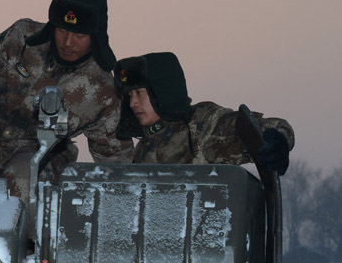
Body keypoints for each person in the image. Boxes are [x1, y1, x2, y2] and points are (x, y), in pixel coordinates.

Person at [0, 0, 134, 203]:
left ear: (96, 36)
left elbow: (116, 160)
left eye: (80, 36)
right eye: (62, 30)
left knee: (21, 191)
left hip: (43, 150)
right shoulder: (21, 37)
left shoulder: (104, 90)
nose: (67, 42)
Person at [113, 52, 293, 174]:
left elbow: (263, 127)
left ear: (160, 92)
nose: (133, 103)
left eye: (139, 93)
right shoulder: (142, 150)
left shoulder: (202, 124)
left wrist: (278, 141)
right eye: (129, 96)